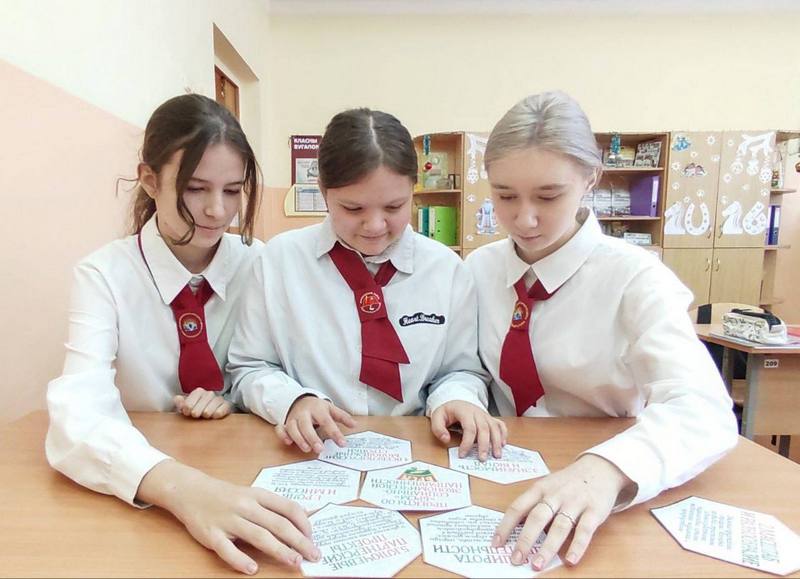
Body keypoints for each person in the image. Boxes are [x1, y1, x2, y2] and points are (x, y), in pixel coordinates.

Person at [465, 91, 738, 571]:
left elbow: (703, 409)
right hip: (500, 475)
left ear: (590, 179)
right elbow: (466, 367)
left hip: (602, 481)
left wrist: (608, 469)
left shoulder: (636, 278)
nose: (524, 219)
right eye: (505, 195)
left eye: (549, 196)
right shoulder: (480, 269)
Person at [46, 94, 319, 575]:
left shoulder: (258, 263)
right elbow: (78, 412)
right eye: (195, 188)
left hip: (249, 471)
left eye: (233, 191)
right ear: (150, 180)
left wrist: (233, 399)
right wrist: (183, 489)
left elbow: (276, 369)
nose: (217, 210)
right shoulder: (103, 275)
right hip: (143, 489)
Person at [228, 108, 506, 460]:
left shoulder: (446, 270)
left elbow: (460, 369)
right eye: (353, 208)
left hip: (420, 450)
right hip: (310, 450)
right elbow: (249, 367)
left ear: (414, 189)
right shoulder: (279, 261)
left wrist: (457, 398)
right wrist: (293, 401)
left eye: (394, 206)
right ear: (323, 191)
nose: (374, 226)